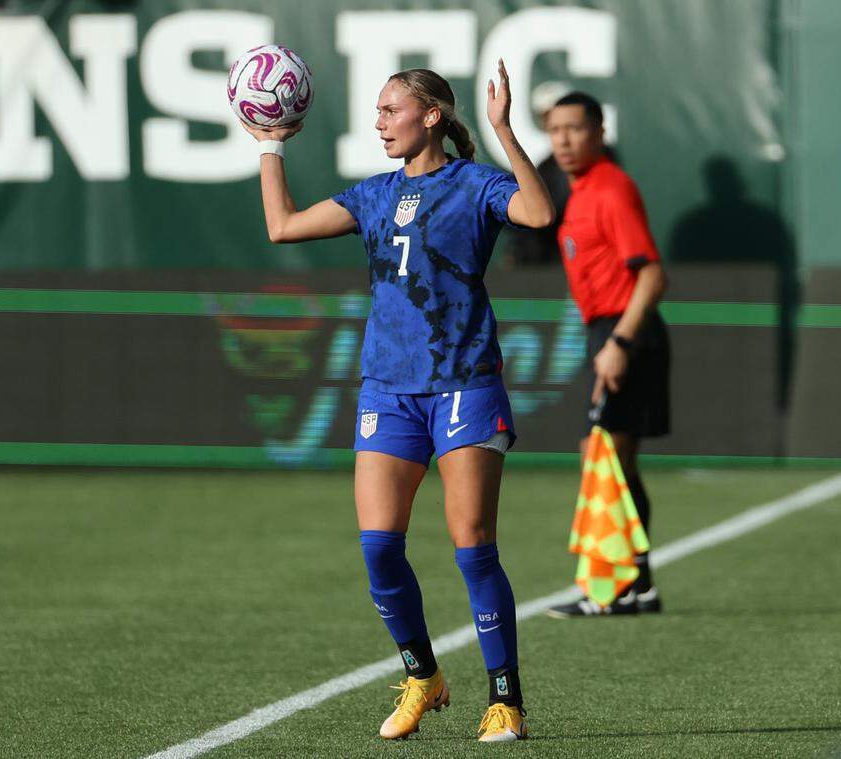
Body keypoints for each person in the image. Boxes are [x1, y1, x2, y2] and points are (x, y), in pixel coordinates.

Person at [241, 62, 554, 741]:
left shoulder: (474, 184)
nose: (379, 122)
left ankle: (506, 698)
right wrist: (270, 144)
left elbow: (538, 212)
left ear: (431, 115)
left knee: (472, 546)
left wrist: (503, 129)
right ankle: (423, 676)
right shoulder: (376, 194)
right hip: (389, 387)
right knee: (380, 548)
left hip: (465, 381)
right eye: (378, 111)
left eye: (390, 110)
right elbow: (282, 227)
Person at [541, 92, 671, 619]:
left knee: (607, 459)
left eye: (575, 128)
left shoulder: (612, 188)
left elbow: (653, 274)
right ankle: (638, 585)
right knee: (613, 462)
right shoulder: (577, 193)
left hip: (626, 333)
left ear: (599, 132)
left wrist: (620, 343)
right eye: (555, 130)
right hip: (606, 330)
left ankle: (615, 589)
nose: (565, 140)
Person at [499, 81, 573, 267]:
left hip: (563, 260)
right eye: (547, 115)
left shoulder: (598, 160)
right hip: (540, 263)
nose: (553, 120)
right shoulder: (546, 165)